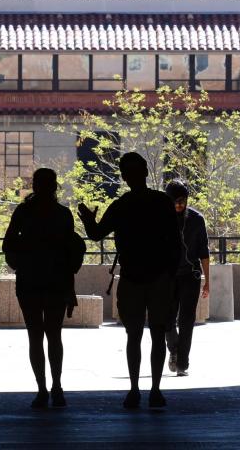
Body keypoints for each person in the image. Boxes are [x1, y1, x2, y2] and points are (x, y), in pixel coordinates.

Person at [78, 152, 181, 409]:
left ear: (124, 177)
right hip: (159, 278)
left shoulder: (121, 205)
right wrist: (172, 278)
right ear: (146, 172)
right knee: (157, 333)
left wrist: (88, 220)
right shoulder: (162, 202)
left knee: (133, 335)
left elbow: (96, 234)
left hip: (133, 278)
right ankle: (155, 390)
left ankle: (134, 389)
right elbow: (176, 244)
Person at [3, 168, 76, 409]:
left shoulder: (24, 213)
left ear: (34, 186)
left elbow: (8, 245)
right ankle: (56, 387)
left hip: (30, 282)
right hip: (56, 282)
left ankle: (42, 389)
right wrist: (70, 289)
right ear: (55, 187)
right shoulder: (63, 215)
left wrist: (22, 265)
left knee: (35, 336)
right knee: (54, 335)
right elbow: (70, 255)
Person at [164, 179, 210, 377]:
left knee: (187, 320)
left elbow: (204, 252)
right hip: (167, 276)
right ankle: (174, 350)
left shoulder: (196, 219)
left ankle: (182, 361)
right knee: (166, 319)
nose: (178, 205)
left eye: (182, 201)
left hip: (190, 276)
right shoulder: (160, 219)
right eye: (174, 201)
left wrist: (208, 281)